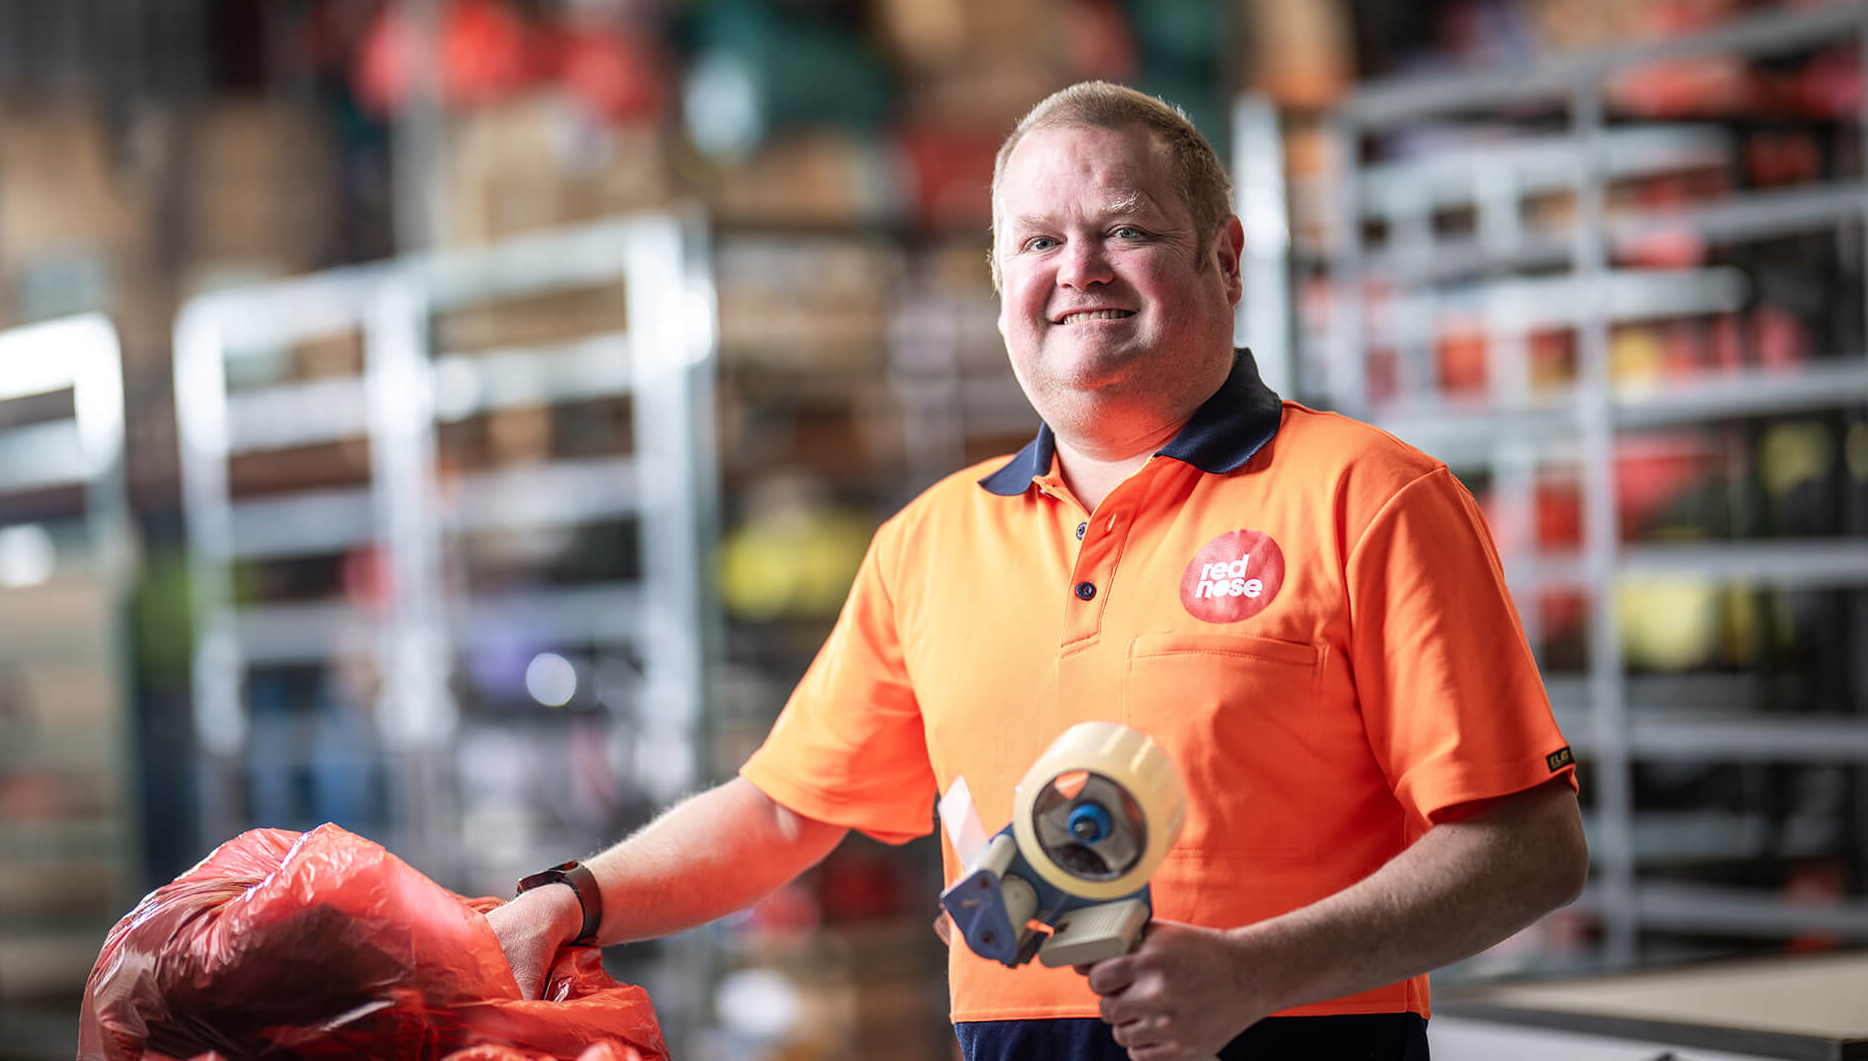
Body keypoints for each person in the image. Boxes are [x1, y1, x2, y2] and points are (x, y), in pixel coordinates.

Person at [489, 81, 1587, 1061]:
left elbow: (1529, 849)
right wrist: (573, 901)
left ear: (1227, 257)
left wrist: (1256, 973)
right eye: (1036, 243)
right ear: (999, 279)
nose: (1078, 272)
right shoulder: (929, 544)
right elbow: (781, 817)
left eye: (1126, 229)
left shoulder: (1370, 495)